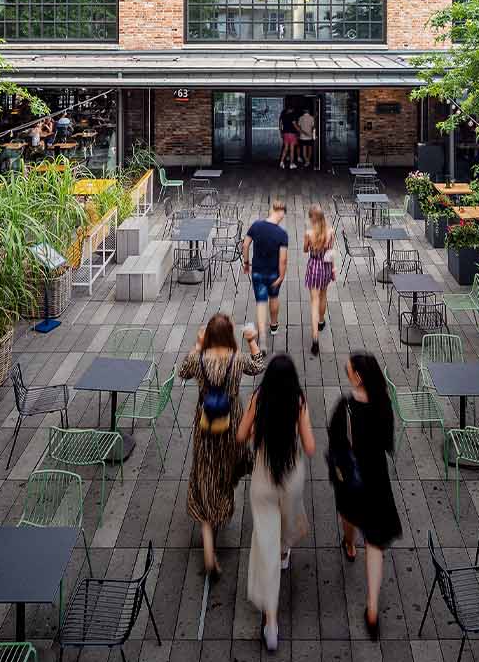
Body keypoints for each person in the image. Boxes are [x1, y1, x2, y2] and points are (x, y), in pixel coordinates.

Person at [178, 314, 267, 579]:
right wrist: (251, 340)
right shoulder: (236, 359)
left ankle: (208, 545)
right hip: (230, 425)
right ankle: (220, 505)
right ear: (229, 335)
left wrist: (197, 344)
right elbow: (258, 365)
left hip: (206, 427)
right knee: (225, 471)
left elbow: (182, 371)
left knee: (204, 473)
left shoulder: (199, 359)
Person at [238, 355, 315, 651]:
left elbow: (240, 436)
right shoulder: (298, 401)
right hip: (290, 476)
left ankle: (271, 622)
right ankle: (284, 550)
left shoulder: (258, 399)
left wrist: (256, 431)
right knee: (289, 519)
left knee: (265, 540)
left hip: (263, 477)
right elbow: (310, 447)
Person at [329, 352, 400, 640]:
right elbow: (387, 443)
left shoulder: (345, 407)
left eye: (348, 369)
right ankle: (372, 607)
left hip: (352, 477)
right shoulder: (383, 404)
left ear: (358, 377)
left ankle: (348, 544)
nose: (346, 371)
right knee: (375, 543)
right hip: (377, 479)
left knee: (348, 511)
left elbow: (335, 441)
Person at [243, 199, 289, 342]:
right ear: (281, 214)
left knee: (261, 301)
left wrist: (246, 263)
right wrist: (281, 276)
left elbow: (245, 245)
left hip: (257, 271)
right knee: (274, 298)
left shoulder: (256, 225)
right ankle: (274, 326)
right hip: (274, 273)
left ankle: (262, 332)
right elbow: (283, 259)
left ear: (271, 210)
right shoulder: (282, 234)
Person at [302, 204, 335, 357]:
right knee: (323, 295)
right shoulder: (330, 231)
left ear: (312, 218)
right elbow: (331, 252)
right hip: (326, 267)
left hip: (314, 267)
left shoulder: (308, 233)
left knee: (314, 302)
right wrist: (333, 269)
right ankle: (321, 321)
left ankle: (315, 338)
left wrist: (309, 245)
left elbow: (305, 250)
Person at [295, 105, 316, 170]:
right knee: (310, 149)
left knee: (304, 151)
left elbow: (299, 127)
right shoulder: (312, 118)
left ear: (303, 111)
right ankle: (308, 161)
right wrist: (314, 135)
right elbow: (313, 127)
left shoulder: (300, 118)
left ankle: (307, 161)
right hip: (310, 136)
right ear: (309, 111)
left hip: (303, 136)